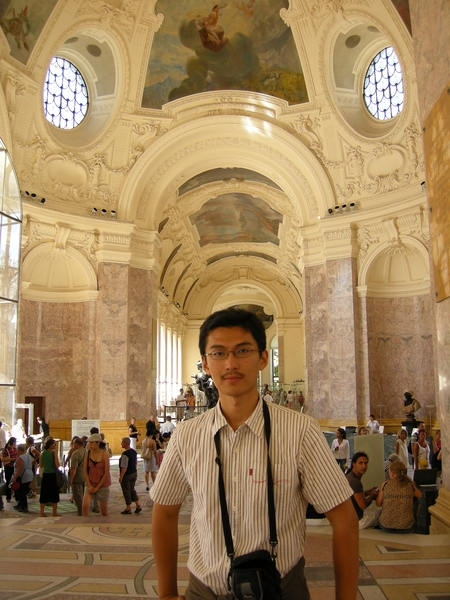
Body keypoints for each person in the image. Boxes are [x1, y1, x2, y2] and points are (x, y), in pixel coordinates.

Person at [151, 307, 359, 600]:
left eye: (243, 351)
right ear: (205, 363)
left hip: (281, 589)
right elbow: (164, 512)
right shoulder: (187, 435)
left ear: (263, 358)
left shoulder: (299, 431)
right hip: (206, 590)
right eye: (219, 353)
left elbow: (344, 518)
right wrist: (167, 593)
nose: (231, 363)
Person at [376, 459, 422, 533]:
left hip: (386, 526)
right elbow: (420, 495)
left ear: (392, 473)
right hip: (406, 527)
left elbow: (378, 503)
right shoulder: (410, 485)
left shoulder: (385, 484)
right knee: (415, 500)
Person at [346, 452, 381, 529]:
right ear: (354, 464)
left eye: (365, 463)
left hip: (348, 518)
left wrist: (366, 493)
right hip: (358, 521)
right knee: (382, 511)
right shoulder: (355, 481)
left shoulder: (348, 476)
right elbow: (363, 505)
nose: (364, 466)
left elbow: (353, 497)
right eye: (360, 463)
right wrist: (372, 496)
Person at [82, 433, 111, 516]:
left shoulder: (105, 454)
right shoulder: (87, 453)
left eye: (92, 443)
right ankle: (86, 523)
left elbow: (106, 473)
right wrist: (90, 486)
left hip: (102, 484)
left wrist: (97, 487)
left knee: (104, 511)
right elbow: (85, 470)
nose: (89, 445)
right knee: (85, 506)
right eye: (89, 443)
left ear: (98, 443)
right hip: (91, 483)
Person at [119, 437, 142, 514]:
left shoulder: (125, 454)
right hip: (134, 473)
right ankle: (138, 505)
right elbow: (136, 462)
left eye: (122, 442)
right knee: (132, 489)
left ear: (126, 443)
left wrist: (121, 476)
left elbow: (124, 466)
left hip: (127, 475)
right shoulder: (134, 452)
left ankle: (128, 508)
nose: (121, 443)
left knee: (126, 491)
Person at [39, 437, 61, 517]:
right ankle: (54, 513)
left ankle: (41, 512)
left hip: (45, 475)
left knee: (44, 493)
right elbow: (57, 465)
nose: (55, 445)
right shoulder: (53, 453)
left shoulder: (42, 453)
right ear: (50, 445)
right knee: (54, 494)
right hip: (52, 475)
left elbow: (41, 465)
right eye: (54, 444)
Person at [11, 443, 34, 513]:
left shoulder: (21, 458)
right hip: (29, 474)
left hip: (23, 476)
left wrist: (15, 477)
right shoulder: (29, 456)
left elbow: (19, 468)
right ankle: (20, 504)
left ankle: (24, 506)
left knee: (22, 492)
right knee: (22, 491)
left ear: (19, 450)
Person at [69, 437, 86, 516]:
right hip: (85, 476)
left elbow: (74, 468)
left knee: (78, 495)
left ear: (76, 444)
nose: (73, 445)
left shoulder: (76, 453)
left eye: (73, 443)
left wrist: (71, 479)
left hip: (78, 476)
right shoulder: (86, 451)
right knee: (84, 494)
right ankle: (85, 510)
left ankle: (81, 512)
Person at [2, 437, 18, 503]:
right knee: (8, 481)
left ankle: (16, 495)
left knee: (15, 480)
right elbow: (3, 459)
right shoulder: (6, 450)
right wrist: (11, 459)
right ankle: (8, 496)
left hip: (14, 467)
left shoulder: (15, 449)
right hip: (8, 467)